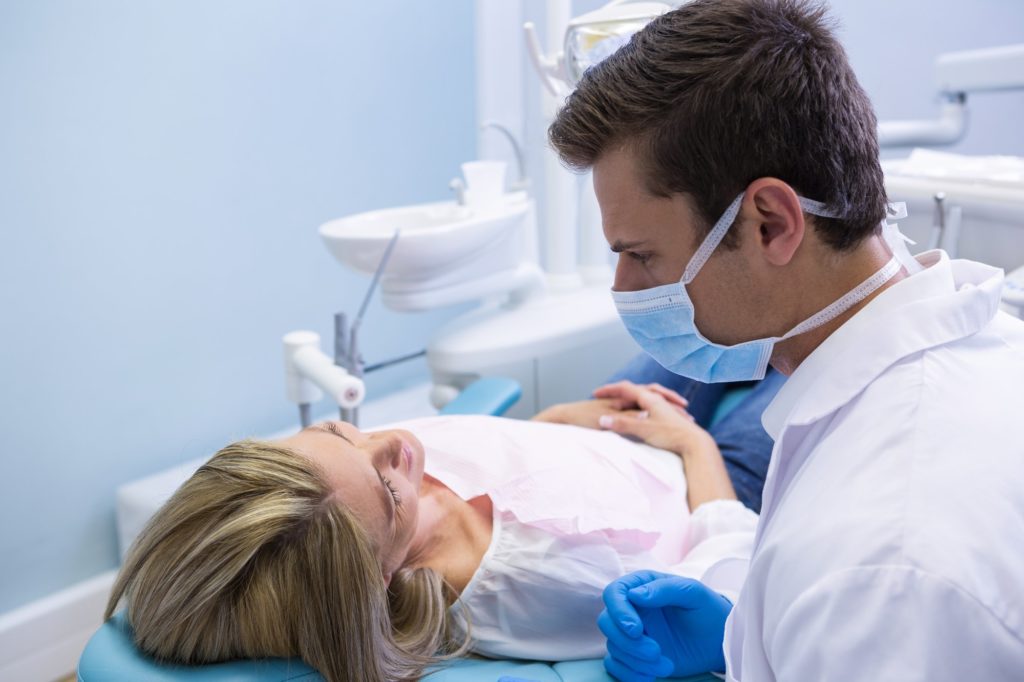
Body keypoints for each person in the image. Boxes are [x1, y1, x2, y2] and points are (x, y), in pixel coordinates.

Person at [548, 0, 1024, 680]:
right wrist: (740, 616)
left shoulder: (882, 567)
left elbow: (858, 588)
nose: (624, 287)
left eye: (642, 257)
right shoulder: (965, 351)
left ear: (771, 222)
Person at [106, 398, 758, 682]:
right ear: (380, 575)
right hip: (712, 478)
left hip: (613, 432)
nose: (395, 442)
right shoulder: (539, 580)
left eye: (338, 431)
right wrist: (693, 445)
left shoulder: (348, 495)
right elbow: (722, 570)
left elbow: (503, 456)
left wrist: (560, 422)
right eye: (390, 489)